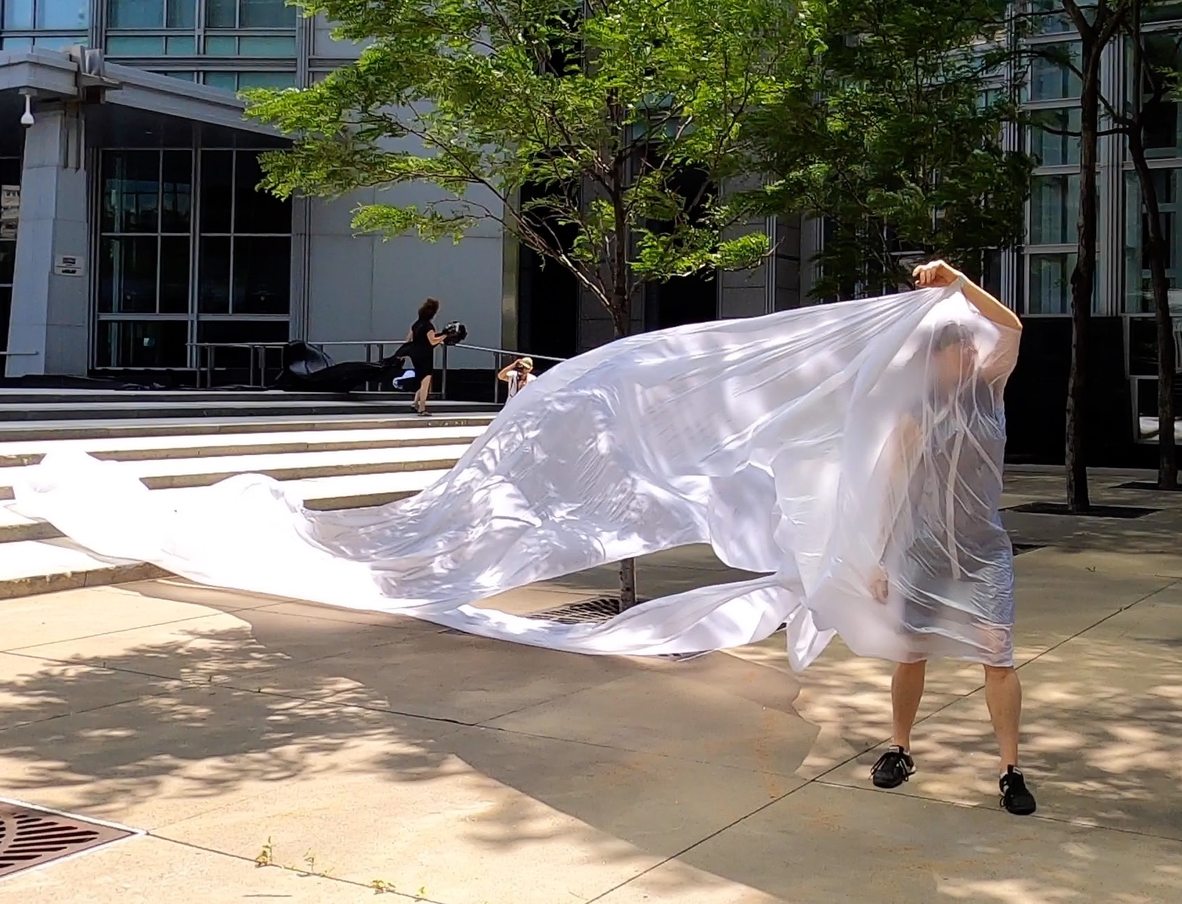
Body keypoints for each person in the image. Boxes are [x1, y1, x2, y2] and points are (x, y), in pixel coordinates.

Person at [866, 259, 1035, 816]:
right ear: (933, 358)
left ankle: (1010, 769)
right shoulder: (915, 415)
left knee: (998, 655)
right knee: (910, 651)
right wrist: (878, 559)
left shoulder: (990, 391)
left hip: (983, 550)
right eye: (955, 346)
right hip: (925, 550)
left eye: (968, 344)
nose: (967, 351)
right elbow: (892, 489)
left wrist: (957, 282)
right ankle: (899, 748)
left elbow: (1010, 327)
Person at [405, 298, 448, 416]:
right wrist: (445, 336)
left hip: (415, 354)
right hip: (425, 355)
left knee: (421, 378)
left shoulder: (415, 324)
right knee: (426, 381)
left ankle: (415, 403)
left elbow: (408, 339)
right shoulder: (429, 326)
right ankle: (422, 408)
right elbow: (432, 341)